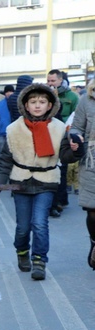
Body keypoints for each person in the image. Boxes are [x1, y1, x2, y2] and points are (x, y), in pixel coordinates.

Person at [0, 83, 81, 280]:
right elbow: (6, 159)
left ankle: (39, 260)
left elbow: (65, 156)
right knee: (23, 226)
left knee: (39, 223)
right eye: (33, 102)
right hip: (20, 181)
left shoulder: (59, 128)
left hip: (47, 181)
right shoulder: (14, 129)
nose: (38, 105)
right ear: (26, 104)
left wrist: (76, 150)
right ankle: (22, 252)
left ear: (50, 105)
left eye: (42, 102)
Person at [69, 78, 95, 269]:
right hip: (92, 160)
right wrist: (76, 136)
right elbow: (77, 125)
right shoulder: (86, 100)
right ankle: (94, 243)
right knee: (93, 209)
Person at [48, 69, 80, 216]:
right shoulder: (45, 95)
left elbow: (77, 118)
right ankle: (54, 201)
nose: (50, 83)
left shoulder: (72, 96)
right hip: (49, 134)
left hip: (65, 135)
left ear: (61, 80)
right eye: (48, 80)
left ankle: (60, 201)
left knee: (62, 169)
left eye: (53, 81)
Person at [0, 84, 15, 180]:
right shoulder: (0, 104)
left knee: (14, 155)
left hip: (13, 134)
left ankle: (12, 175)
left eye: (11, 92)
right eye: (7, 92)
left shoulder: (17, 103)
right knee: (0, 155)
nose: (9, 94)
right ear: (4, 93)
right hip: (2, 134)